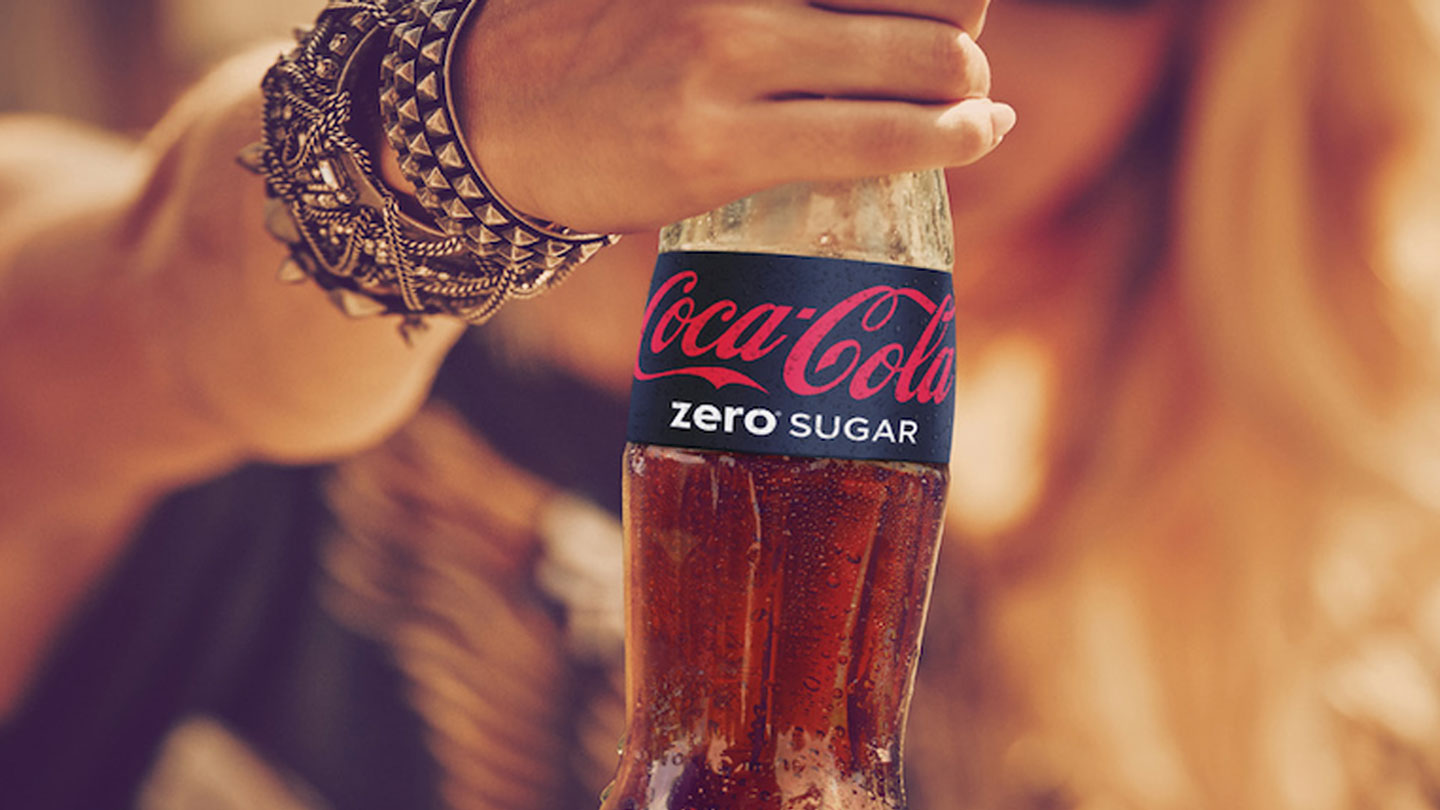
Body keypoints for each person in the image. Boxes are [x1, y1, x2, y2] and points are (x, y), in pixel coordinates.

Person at [1, 0, 1438, 807]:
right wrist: (451, 131)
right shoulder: (226, 435)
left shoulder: (1071, 722)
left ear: (1182, 116)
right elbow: (156, 297)